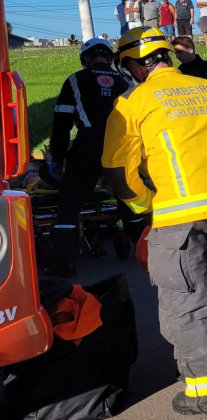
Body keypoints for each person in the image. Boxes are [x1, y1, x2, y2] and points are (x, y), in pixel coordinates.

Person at [103, 26, 207, 418]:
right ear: (167, 57)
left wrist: (147, 206)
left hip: (180, 215)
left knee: (188, 303)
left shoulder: (133, 102)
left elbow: (117, 172)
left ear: (135, 66)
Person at [43, 39, 136, 277]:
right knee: (129, 199)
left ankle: (65, 262)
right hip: (120, 149)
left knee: (69, 204)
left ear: (85, 58)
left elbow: (62, 124)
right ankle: (143, 248)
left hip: (88, 148)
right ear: (111, 58)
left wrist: (57, 160)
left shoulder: (75, 80)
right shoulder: (126, 82)